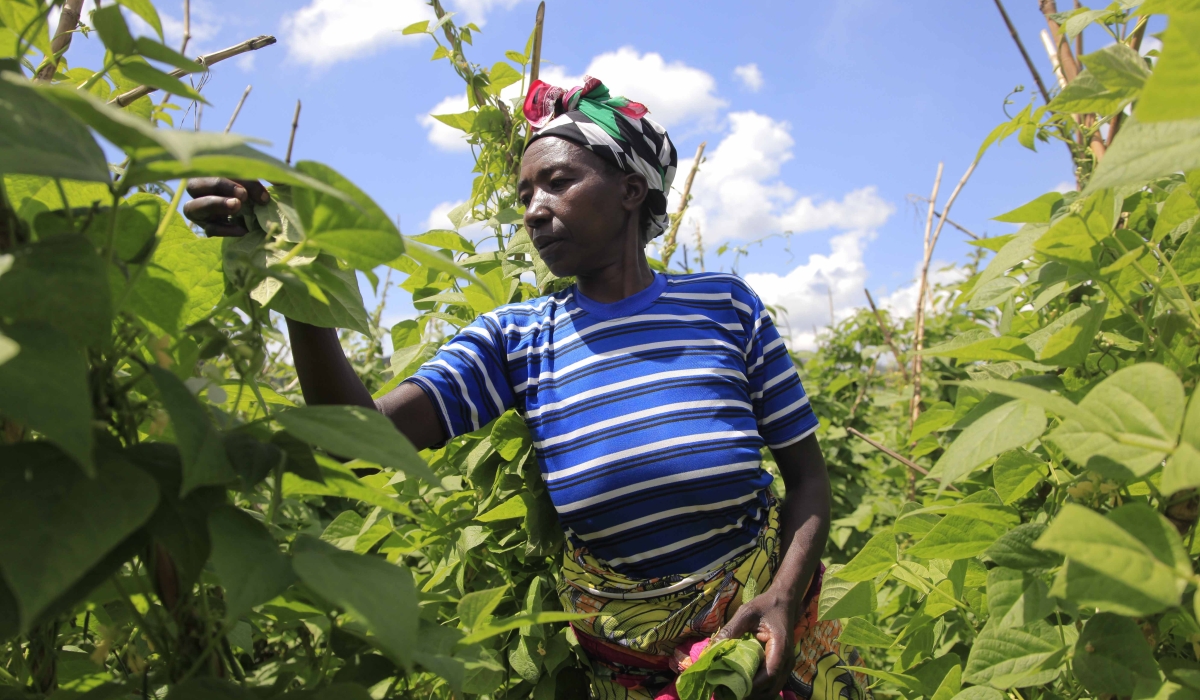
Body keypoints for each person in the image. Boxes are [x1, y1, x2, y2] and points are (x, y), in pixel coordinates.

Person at [184, 77, 867, 700]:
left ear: (632, 190)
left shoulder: (724, 307)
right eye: (524, 197)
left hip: (772, 640)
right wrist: (300, 274)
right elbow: (360, 443)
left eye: (558, 183)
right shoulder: (518, 340)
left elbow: (806, 478)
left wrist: (782, 595)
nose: (535, 211)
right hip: (630, 667)